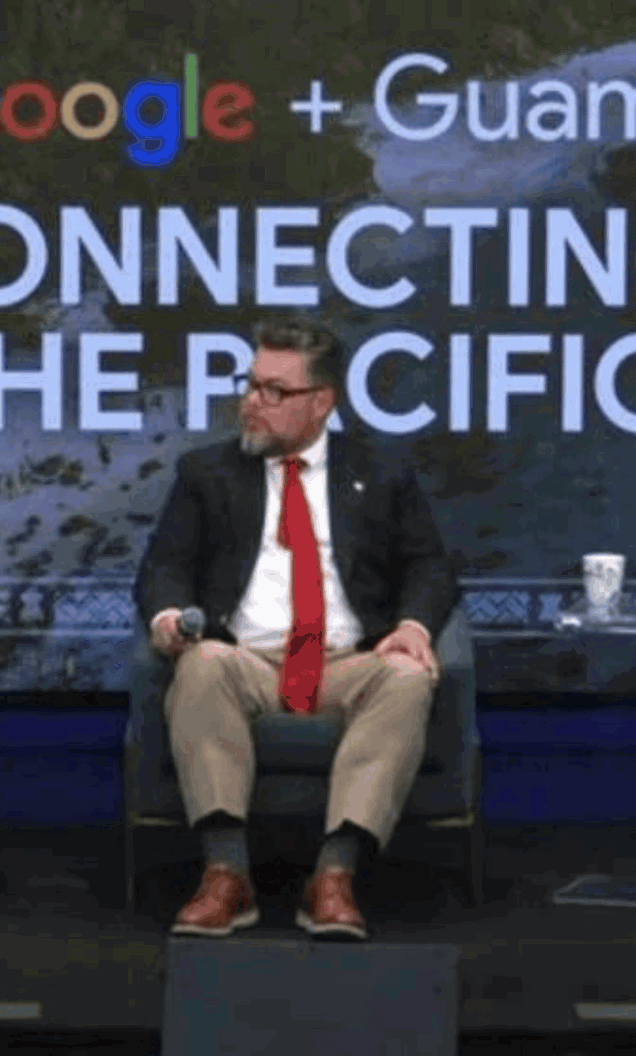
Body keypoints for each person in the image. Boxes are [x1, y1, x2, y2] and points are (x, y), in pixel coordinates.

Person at [134, 317, 459, 940]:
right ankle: (226, 875)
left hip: (345, 662)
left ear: (321, 403)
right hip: (244, 661)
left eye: (274, 392)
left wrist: (415, 626)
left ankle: (334, 875)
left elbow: (430, 564)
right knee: (199, 666)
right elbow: (165, 565)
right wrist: (170, 616)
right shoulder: (206, 474)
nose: (252, 402)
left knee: (410, 677)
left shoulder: (381, 474)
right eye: (251, 385)